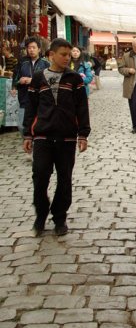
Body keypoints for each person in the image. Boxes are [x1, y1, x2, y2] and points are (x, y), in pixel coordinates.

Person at [23, 38, 91, 237]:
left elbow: (82, 108)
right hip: (43, 137)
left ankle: (60, 217)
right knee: (40, 176)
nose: (67, 58)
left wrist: (83, 134)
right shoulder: (38, 78)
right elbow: (31, 108)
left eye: (69, 55)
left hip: (67, 138)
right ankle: (40, 215)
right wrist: (28, 133)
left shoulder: (74, 79)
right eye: (63, 54)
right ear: (51, 55)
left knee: (64, 179)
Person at [12, 37, 50, 136]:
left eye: (34, 47)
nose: (31, 50)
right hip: (24, 97)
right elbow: (15, 78)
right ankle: (27, 140)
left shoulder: (46, 64)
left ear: (39, 49)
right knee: (21, 125)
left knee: (39, 124)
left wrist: (32, 81)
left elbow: (51, 81)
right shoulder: (22, 62)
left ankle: (36, 142)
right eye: (29, 48)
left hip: (40, 99)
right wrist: (18, 82)